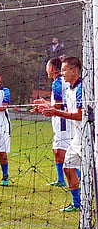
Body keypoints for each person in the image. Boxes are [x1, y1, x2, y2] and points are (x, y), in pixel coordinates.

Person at [40, 57, 82, 212]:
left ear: (74, 70)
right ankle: (77, 204)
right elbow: (64, 108)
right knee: (68, 167)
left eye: (64, 70)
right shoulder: (70, 89)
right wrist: (48, 107)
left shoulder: (81, 89)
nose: (61, 73)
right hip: (77, 137)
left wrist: (55, 111)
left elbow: (80, 115)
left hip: (87, 138)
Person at [33, 58, 70, 187]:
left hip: (63, 122)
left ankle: (80, 179)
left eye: (47, 67)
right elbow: (57, 104)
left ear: (53, 69)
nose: (46, 70)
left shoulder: (58, 83)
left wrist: (46, 107)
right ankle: (61, 179)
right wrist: (45, 104)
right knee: (56, 150)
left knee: (63, 151)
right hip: (58, 121)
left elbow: (58, 106)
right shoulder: (59, 81)